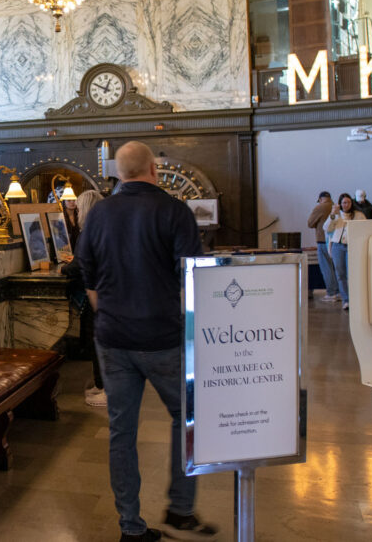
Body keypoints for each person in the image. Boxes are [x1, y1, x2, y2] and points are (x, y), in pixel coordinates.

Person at [77, 141, 215, 542]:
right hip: (162, 337)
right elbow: (193, 277)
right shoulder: (174, 211)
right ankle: (181, 508)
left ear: (119, 173)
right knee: (189, 417)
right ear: (153, 169)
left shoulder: (99, 213)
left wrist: (108, 310)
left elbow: (86, 271)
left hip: (113, 338)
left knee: (122, 431)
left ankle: (131, 528)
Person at [61, 189, 105, 407]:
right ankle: (102, 385)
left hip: (97, 292)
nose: (76, 212)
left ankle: (105, 388)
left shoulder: (89, 232)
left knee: (98, 339)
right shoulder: (104, 228)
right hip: (108, 289)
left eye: (78, 208)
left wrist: (65, 269)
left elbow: (80, 266)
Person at [323, 193, 366, 311]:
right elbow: (326, 228)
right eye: (344, 203)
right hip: (338, 246)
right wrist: (333, 214)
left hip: (352, 245)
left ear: (351, 203)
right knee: (340, 274)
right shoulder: (336, 215)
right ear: (340, 204)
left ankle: (356, 299)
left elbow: (365, 228)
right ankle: (346, 300)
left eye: (348, 202)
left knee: (351, 273)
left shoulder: (358, 215)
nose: (346, 205)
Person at [307, 191, 339, 303]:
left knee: (326, 268)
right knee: (336, 268)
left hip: (322, 241)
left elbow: (310, 223)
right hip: (336, 241)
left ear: (320, 199)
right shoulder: (336, 206)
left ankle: (331, 293)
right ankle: (339, 292)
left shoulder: (320, 208)